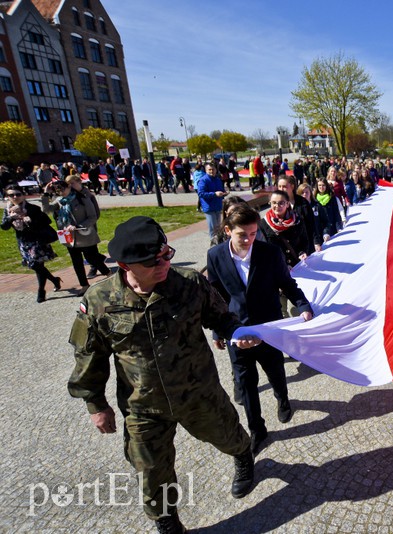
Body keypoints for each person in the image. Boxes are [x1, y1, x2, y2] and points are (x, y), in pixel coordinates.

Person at [67, 216, 261, 533]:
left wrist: (237, 332)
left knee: (228, 435)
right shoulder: (100, 302)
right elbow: (90, 355)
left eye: (166, 255)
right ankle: (167, 520)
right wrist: (96, 404)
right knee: (151, 469)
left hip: (199, 392)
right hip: (143, 406)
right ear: (124, 264)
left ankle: (243, 456)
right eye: (152, 261)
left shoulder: (189, 283)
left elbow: (221, 317)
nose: (163, 264)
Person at [207, 205, 314, 455]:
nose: (248, 239)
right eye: (242, 234)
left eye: (253, 234)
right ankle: (257, 429)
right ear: (227, 231)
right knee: (246, 383)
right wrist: (217, 331)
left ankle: (283, 399)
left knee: (275, 370)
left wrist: (303, 306)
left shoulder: (270, 253)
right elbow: (215, 294)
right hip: (236, 330)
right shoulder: (215, 256)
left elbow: (287, 284)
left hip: (269, 328)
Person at [41, 178, 110, 294]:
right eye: (57, 191)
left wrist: (78, 225)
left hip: (85, 235)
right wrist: (46, 193)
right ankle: (84, 285)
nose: (60, 192)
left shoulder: (82, 199)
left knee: (91, 258)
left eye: (62, 189)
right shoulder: (60, 201)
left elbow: (92, 217)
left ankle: (108, 274)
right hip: (69, 237)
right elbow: (46, 210)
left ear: (68, 187)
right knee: (77, 262)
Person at [2, 186, 61, 302]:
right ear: (7, 197)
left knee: (38, 265)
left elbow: (46, 221)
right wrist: (10, 218)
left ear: (23, 195)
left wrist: (30, 220)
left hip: (37, 240)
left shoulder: (32, 208)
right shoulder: (8, 210)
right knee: (35, 266)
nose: (15, 197)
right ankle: (54, 280)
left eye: (18, 194)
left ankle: (41, 291)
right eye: (11, 195)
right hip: (23, 242)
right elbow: (4, 227)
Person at [196, 162, 227, 239]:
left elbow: (221, 190)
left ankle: (219, 242)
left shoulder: (218, 180)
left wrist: (224, 194)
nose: (211, 171)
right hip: (209, 207)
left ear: (216, 170)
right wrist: (214, 194)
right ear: (206, 170)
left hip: (218, 205)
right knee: (213, 227)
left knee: (218, 226)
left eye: (213, 169)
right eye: (209, 170)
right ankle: (213, 243)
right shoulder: (203, 180)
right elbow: (201, 193)